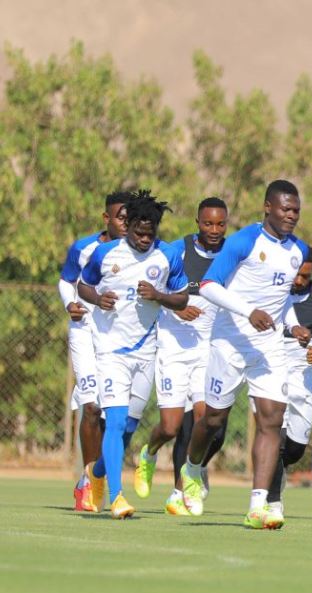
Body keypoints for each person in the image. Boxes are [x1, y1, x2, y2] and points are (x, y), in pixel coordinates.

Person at [179, 180, 311, 530]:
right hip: (230, 342)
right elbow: (209, 286)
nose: (291, 215)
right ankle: (192, 468)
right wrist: (248, 311)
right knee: (213, 420)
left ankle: (257, 505)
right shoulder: (244, 241)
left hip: (269, 347)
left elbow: (280, 301)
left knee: (272, 419)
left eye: (296, 210)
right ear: (267, 207)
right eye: (285, 208)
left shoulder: (299, 251)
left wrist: (291, 327)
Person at [77, 190, 189, 519]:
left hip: (146, 351)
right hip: (110, 350)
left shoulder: (168, 256)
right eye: (139, 233)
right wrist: (97, 299)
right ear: (128, 227)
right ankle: (117, 498)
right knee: (113, 421)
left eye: (149, 234)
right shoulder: (105, 253)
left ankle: (97, 472)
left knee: (127, 428)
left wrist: (158, 295)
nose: (144, 239)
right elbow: (83, 285)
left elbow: (182, 298)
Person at [131, 197, 229, 515]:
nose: (214, 229)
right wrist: (176, 306)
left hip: (208, 349)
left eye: (220, 224)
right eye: (208, 223)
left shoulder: (232, 254)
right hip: (173, 345)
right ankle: (148, 454)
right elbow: (150, 291)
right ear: (197, 223)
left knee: (205, 419)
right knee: (171, 428)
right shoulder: (176, 251)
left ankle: (189, 478)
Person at [58, 191, 130, 511]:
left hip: (115, 338)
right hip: (85, 332)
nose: (125, 223)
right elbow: (66, 281)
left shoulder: (139, 253)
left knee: (109, 412)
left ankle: (97, 476)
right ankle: (89, 481)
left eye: (130, 218)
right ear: (106, 218)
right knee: (91, 406)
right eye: (120, 217)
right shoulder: (84, 248)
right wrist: (69, 304)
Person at [266, 247, 312, 521]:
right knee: (274, 438)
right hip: (272, 372)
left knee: (295, 449)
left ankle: (275, 470)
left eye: (305, 276)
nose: (298, 281)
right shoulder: (272, 293)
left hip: (304, 378)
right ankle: (273, 503)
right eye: (295, 275)